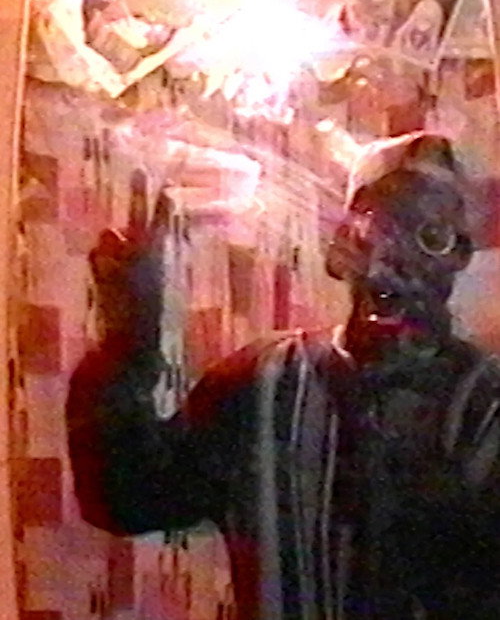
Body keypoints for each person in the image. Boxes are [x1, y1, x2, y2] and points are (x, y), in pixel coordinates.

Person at [66, 131, 500, 619]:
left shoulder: (488, 406)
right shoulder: (262, 383)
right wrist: (128, 340)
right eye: (383, 225)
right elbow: (126, 497)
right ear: (343, 246)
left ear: (459, 258)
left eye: (431, 237)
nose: (400, 259)